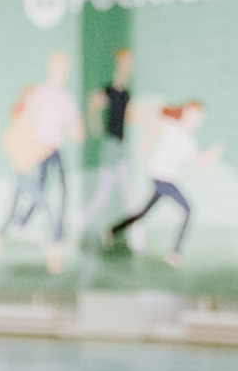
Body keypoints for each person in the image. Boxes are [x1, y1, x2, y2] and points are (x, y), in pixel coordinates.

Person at [109, 101, 218, 266]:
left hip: (166, 180)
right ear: (186, 112)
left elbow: (199, 160)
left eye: (199, 120)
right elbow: (153, 122)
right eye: (195, 117)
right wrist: (144, 145)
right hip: (159, 177)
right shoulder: (170, 125)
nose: (196, 122)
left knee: (142, 213)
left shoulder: (188, 140)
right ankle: (174, 253)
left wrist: (211, 155)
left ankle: (112, 231)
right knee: (188, 209)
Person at [2, 50, 80, 273]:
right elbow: (23, 118)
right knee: (39, 192)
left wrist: (75, 128)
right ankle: (21, 222)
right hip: (39, 151)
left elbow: (73, 126)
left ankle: (54, 240)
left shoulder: (66, 98)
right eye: (59, 67)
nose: (63, 73)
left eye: (65, 68)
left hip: (54, 149)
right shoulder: (39, 93)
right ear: (51, 68)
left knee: (61, 193)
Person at [79, 47, 139, 235]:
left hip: (119, 146)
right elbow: (93, 103)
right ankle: (78, 221)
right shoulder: (111, 91)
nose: (128, 68)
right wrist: (94, 125)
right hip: (111, 146)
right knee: (106, 193)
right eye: (126, 64)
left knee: (124, 194)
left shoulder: (125, 93)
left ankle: (136, 237)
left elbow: (129, 116)